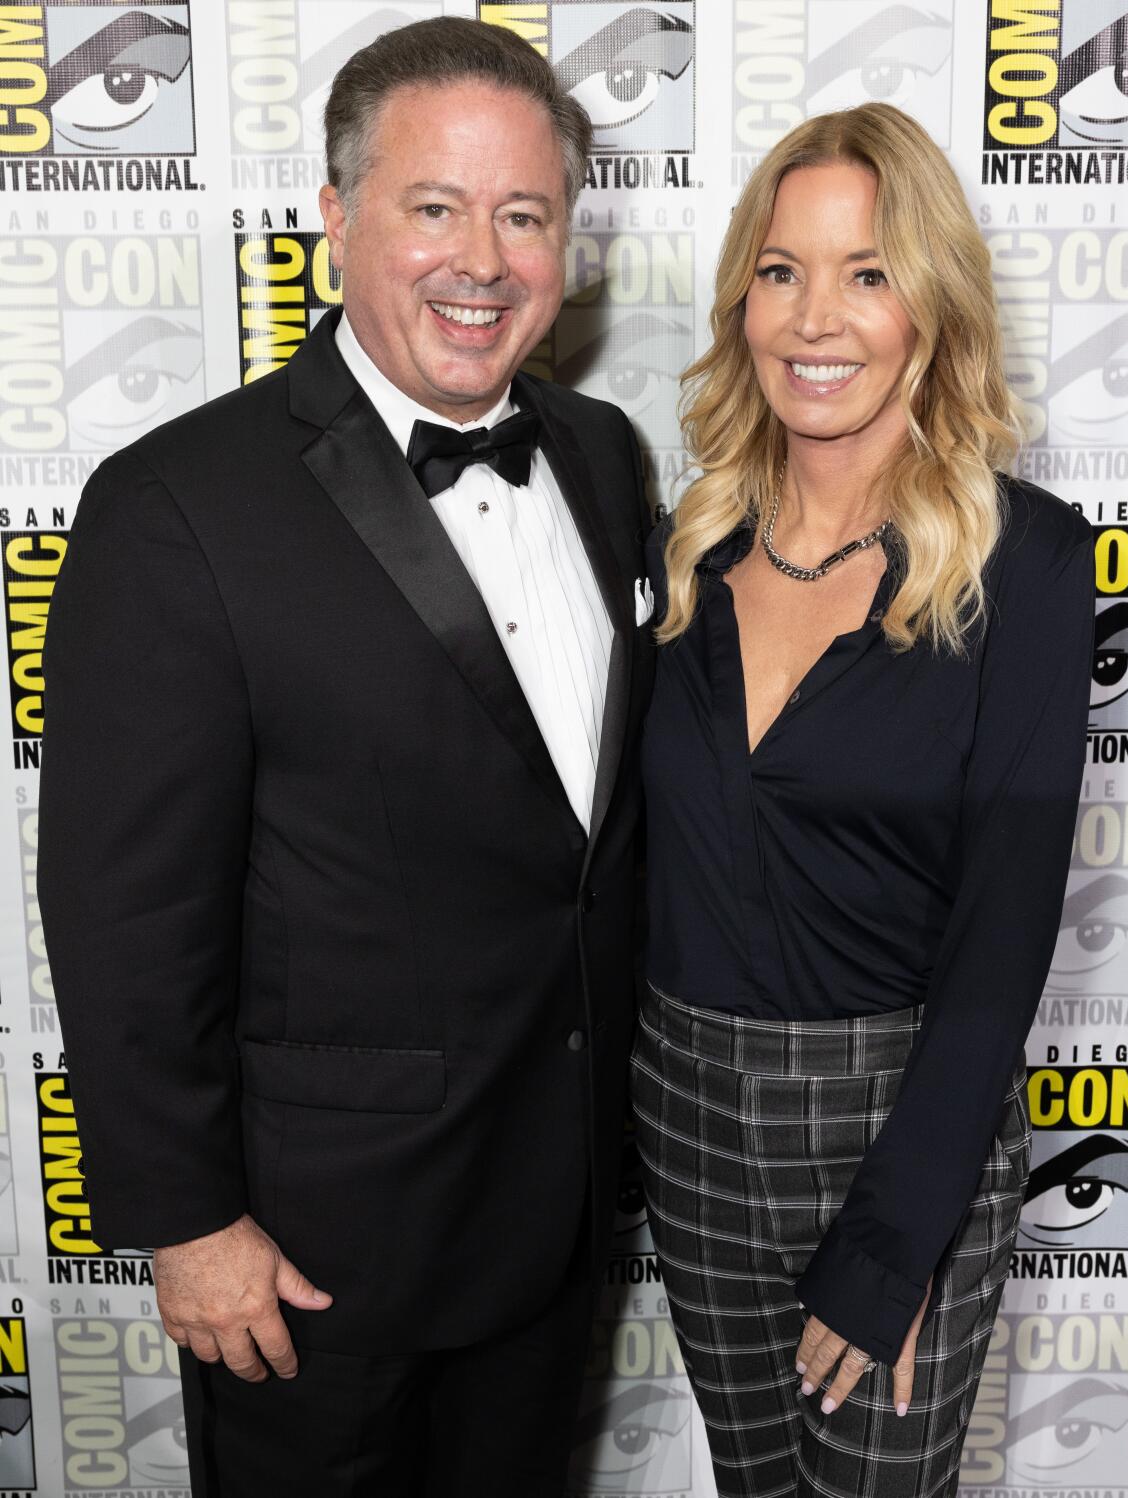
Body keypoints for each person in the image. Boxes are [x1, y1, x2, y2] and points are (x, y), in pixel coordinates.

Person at [37, 18, 654, 1497]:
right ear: (333, 221)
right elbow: (125, 913)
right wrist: (189, 1226)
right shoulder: (178, 504)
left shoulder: (608, 457)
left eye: (524, 216)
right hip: (312, 1272)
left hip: (557, 1221)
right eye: (433, 207)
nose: (483, 260)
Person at [632, 103, 1093, 1497]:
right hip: (690, 1120)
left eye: (868, 271)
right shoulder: (683, 542)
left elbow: (1005, 932)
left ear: (930, 307)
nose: (813, 316)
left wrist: (897, 1238)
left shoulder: (1027, 558)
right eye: (780, 270)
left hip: (903, 1130)